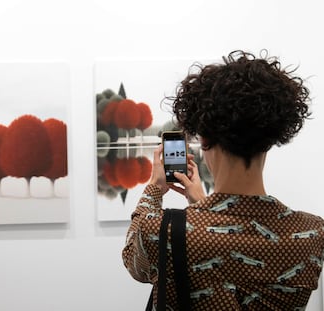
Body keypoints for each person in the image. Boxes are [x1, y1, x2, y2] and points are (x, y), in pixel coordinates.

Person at [122, 50, 324, 310]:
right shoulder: (312, 233)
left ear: (204, 140)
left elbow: (133, 261)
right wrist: (204, 204)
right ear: (272, 137)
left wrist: (154, 189)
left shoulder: (163, 231)